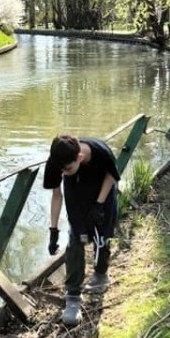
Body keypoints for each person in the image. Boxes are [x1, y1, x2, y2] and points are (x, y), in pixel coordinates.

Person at [42, 134, 120, 325]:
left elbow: (111, 175)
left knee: (102, 235)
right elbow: (57, 195)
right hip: (76, 193)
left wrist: (99, 204)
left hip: (102, 190)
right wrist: (53, 230)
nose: (63, 172)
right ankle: (73, 296)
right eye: (61, 170)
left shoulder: (101, 152)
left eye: (67, 169)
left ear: (80, 158)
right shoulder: (57, 162)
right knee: (76, 238)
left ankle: (101, 274)